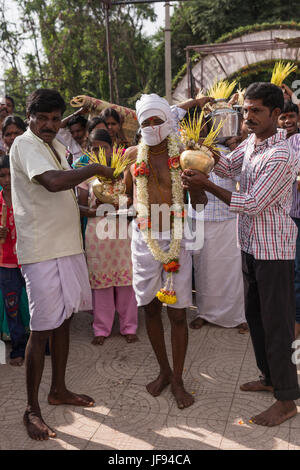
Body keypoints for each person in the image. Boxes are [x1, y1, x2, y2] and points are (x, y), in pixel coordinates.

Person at [182, 82, 300, 426]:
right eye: (245, 110)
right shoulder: (252, 143)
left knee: (277, 325)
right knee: (258, 320)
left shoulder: (280, 154)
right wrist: (203, 153)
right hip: (249, 246)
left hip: (273, 252)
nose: (247, 117)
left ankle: (287, 399)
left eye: (256, 111)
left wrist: (204, 185)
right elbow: (229, 167)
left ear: (276, 114)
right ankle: (269, 378)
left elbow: (250, 203)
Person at [10, 88, 115, 441]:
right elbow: (54, 183)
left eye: (55, 119)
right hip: (40, 250)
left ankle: (58, 389)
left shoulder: (55, 146)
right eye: (43, 119)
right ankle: (31, 410)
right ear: (30, 118)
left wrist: (96, 208)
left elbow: (66, 196)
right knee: (41, 330)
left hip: (66, 245)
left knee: (64, 319)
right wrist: (96, 169)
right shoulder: (24, 144)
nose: (50, 125)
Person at [124, 93, 207, 410]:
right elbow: (126, 199)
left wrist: (195, 185)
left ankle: (178, 379)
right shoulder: (132, 156)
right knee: (149, 308)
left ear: (169, 121)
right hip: (144, 236)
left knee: (177, 311)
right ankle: (163, 370)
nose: (153, 126)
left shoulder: (186, 155)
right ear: (140, 124)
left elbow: (199, 203)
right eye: (147, 121)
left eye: (158, 120)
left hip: (177, 233)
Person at [77, 128, 138, 345]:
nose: (99, 152)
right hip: (97, 232)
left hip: (122, 231)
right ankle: (101, 329)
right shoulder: (86, 173)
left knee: (126, 280)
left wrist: (117, 204)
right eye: (94, 149)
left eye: (103, 148)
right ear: (89, 150)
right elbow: (81, 206)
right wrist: (97, 209)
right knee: (101, 282)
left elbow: (132, 198)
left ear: (111, 147)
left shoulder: (122, 170)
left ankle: (129, 326)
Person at [0, 154, 28, 366]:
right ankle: (18, 346)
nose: (7, 179)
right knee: (12, 306)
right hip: (6, 263)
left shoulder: (26, 198)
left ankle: (42, 343)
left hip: (29, 258)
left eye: (10, 174)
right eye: (2, 175)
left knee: (37, 304)